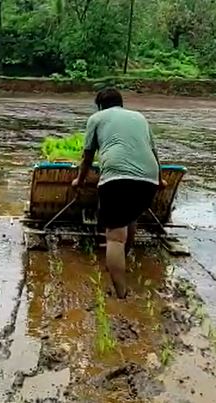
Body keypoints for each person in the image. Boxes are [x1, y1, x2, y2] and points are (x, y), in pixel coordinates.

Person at [72, 88, 166, 299]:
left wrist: (79, 180)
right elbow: (153, 151)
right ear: (121, 103)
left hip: (116, 179)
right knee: (129, 217)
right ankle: (120, 264)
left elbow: (87, 156)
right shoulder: (139, 117)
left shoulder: (96, 118)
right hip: (148, 180)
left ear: (100, 106)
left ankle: (121, 294)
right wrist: (159, 180)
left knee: (115, 238)